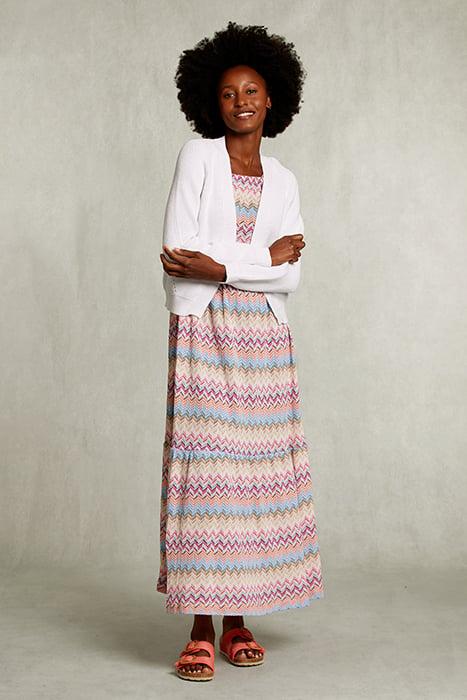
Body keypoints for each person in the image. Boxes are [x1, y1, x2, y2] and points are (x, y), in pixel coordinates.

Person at [156, 21, 324, 682]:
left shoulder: (283, 179)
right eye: (228, 93)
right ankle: (200, 625)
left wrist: (223, 265)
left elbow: (292, 277)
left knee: (253, 479)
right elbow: (178, 258)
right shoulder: (197, 158)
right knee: (210, 478)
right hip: (204, 330)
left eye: (251, 91)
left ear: (272, 98)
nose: (240, 102)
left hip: (265, 338)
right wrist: (259, 259)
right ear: (212, 102)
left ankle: (237, 620)